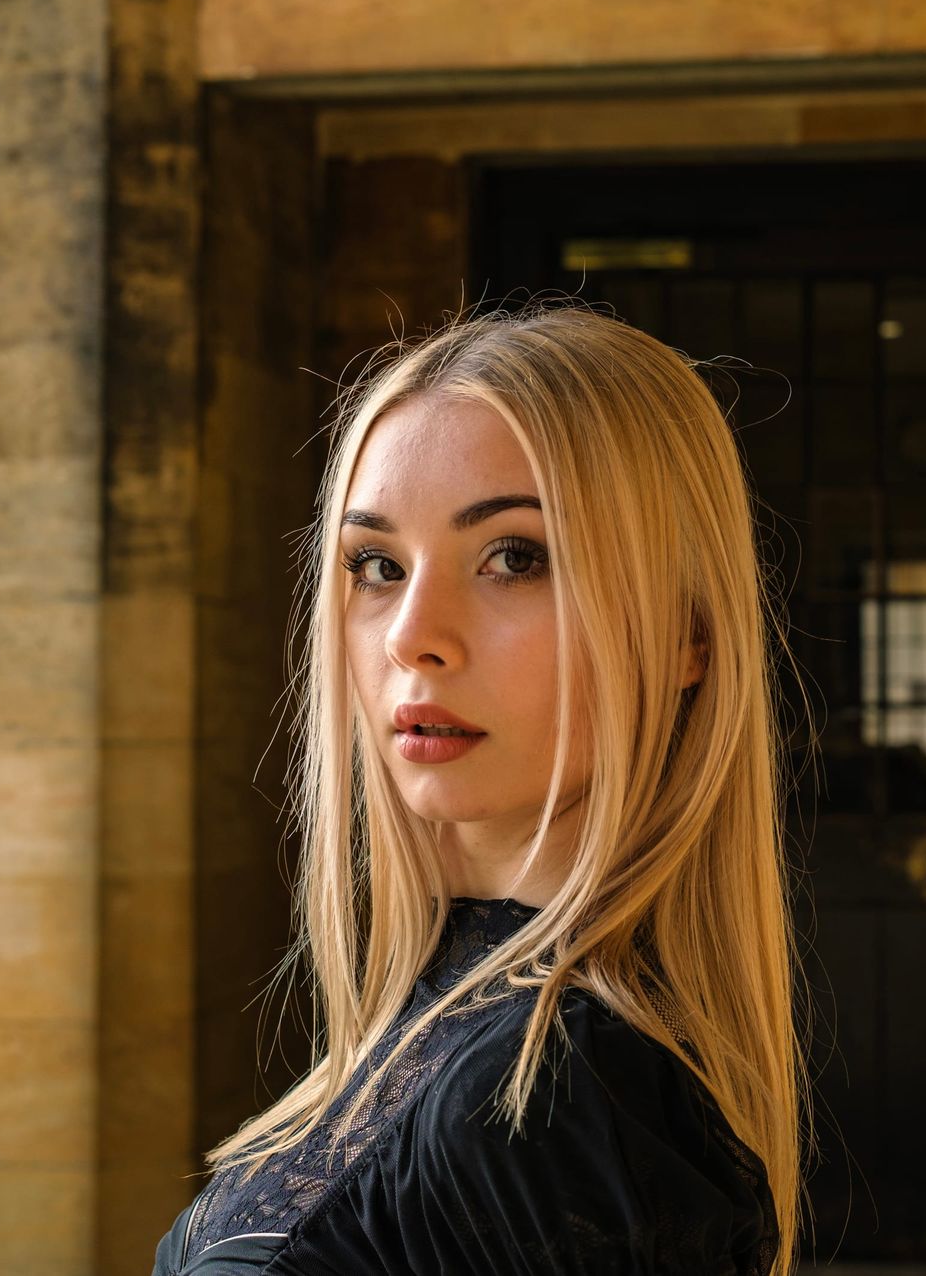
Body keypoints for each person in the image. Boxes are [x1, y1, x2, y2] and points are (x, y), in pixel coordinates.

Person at [153, 303, 806, 1275]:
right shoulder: (451, 1019)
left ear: (687, 637)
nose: (413, 634)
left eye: (516, 557)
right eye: (377, 565)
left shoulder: (568, 1103)